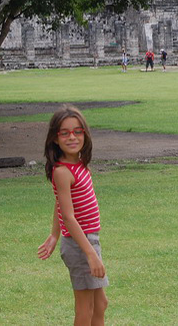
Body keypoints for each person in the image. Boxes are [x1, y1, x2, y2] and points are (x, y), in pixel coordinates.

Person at [38, 105, 109, 325]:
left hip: (88, 241)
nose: (72, 137)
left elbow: (59, 203)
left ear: (85, 135)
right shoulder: (62, 171)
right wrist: (90, 254)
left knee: (100, 304)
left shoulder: (79, 164)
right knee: (85, 308)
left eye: (78, 131)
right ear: (55, 138)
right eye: (65, 132)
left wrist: (53, 235)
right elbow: (68, 216)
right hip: (81, 245)